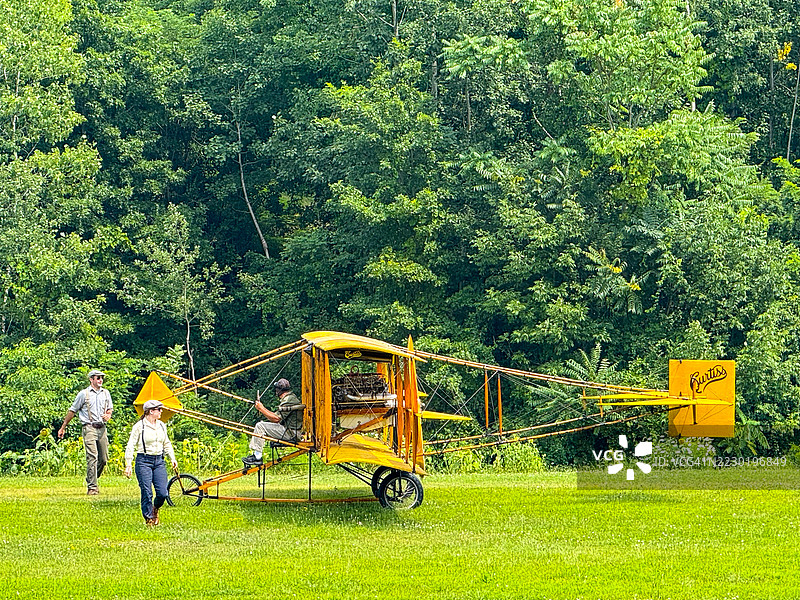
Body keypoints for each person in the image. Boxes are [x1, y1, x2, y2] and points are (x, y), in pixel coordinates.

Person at [58, 369, 113, 495]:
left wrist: (108, 415)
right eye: (98, 378)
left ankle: (91, 477)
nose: (100, 380)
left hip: (102, 428)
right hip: (89, 428)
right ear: (91, 379)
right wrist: (63, 427)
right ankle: (92, 487)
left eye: (101, 378)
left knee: (103, 459)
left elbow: (110, 409)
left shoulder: (106, 393)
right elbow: (72, 411)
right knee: (92, 456)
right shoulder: (84, 394)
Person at [124, 400, 178, 526]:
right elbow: (131, 445)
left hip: (159, 461)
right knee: (147, 492)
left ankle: (155, 509)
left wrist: (172, 458)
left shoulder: (161, 425)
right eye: (159, 409)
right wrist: (128, 464)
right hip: (143, 461)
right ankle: (149, 518)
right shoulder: (139, 426)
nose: (161, 411)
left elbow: (166, 443)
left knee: (163, 493)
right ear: (151, 411)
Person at [242, 378, 304, 466]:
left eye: (277, 389)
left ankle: (257, 457)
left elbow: (276, 419)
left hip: (291, 434)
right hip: (290, 431)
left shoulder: (288, 400)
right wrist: (262, 409)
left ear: (279, 390)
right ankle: (256, 455)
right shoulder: (290, 398)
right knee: (262, 425)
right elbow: (276, 416)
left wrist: (261, 409)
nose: (276, 391)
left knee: (260, 426)